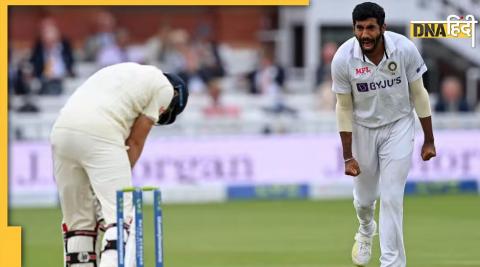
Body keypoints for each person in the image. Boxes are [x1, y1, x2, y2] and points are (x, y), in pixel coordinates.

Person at [50, 62, 188, 267]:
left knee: (78, 224)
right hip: (99, 132)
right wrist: (112, 179)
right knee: (122, 219)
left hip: (60, 133)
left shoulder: (125, 73)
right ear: (177, 97)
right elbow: (134, 141)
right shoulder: (165, 89)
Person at [331, 3, 436, 267]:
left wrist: (429, 139)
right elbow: (343, 107)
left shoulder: (404, 49)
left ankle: (392, 263)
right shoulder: (343, 59)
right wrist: (347, 157)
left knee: (391, 198)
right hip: (363, 128)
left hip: (399, 125)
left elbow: (419, 94)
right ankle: (366, 229)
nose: (364, 34)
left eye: (370, 28)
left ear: (383, 28)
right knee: (365, 201)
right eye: (359, 28)